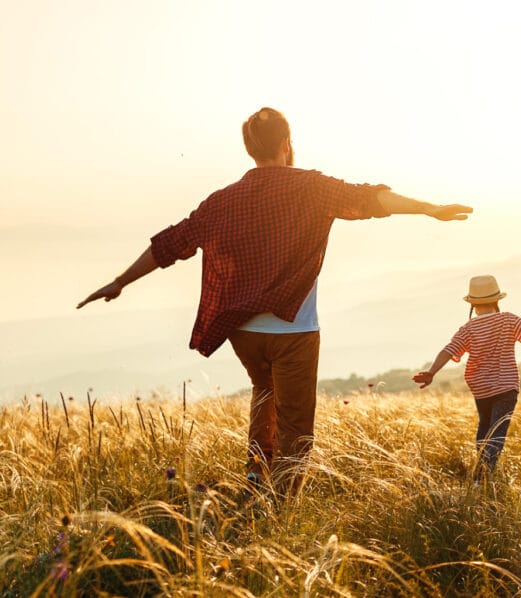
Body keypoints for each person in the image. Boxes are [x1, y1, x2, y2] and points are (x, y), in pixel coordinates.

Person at [77, 107, 472, 494]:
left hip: (243, 332)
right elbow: (371, 199)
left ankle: (255, 477)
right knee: (296, 424)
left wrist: (119, 281)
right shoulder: (311, 188)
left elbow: (171, 244)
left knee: (264, 393)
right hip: (294, 331)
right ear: (286, 143)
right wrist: (429, 209)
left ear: (250, 149)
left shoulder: (222, 201)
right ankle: (281, 505)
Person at [412, 275, 521, 481]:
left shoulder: (468, 329)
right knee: (498, 431)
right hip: (506, 386)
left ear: (473, 305)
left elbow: (448, 350)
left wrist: (431, 372)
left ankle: (480, 474)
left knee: (484, 428)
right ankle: (484, 475)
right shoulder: (508, 319)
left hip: (481, 388)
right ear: (497, 300)